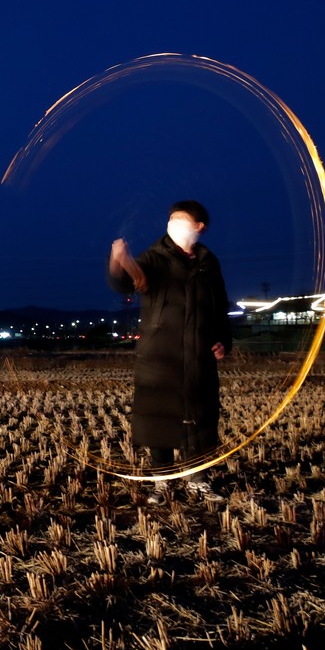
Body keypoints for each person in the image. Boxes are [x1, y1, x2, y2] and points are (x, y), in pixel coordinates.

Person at [107, 200, 232, 504]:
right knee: (158, 421)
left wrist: (222, 341)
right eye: (172, 218)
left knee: (199, 419)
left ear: (199, 226)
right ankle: (161, 482)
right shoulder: (155, 258)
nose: (174, 223)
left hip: (199, 355)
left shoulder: (208, 262)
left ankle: (198, 481)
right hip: (159, 356)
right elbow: (126, 282)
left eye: (181, 219)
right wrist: (118, 259)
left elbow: (220, 307)